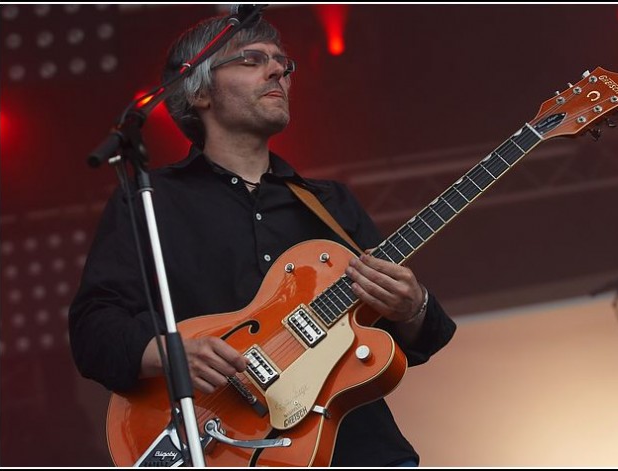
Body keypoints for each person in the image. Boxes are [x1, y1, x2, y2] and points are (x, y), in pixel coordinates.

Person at [69, 14, 456, 467]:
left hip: (355, 449)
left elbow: (396, 344)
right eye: (252, 60)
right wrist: (169, 354)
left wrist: (411, 307)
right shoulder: (150, 201)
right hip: (220, 442)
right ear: (198, 91)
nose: (277, 71)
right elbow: (93, 330)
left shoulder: (328, 203)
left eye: (281, 63)